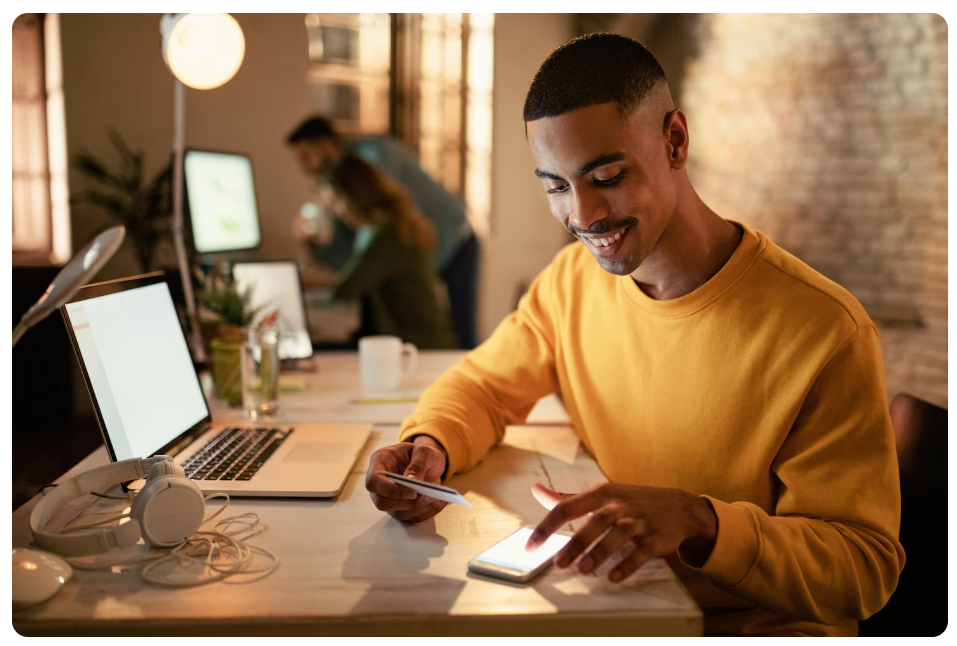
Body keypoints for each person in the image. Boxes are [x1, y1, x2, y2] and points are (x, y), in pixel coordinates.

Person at [363, 33, 904, 636]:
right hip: (623, 608)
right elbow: (484, 385)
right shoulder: (571, 281)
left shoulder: (825, 329)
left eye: (608, 175)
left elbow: (863, 570)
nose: (583, 216)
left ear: (675, 140)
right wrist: (429, 446)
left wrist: (703, 522)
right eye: (556, 186)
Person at [287, 117, 480, 349]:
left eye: (306, 157)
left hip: (455, 240)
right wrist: (315, 247)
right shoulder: (346, 183)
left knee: (460, 333)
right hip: (424, 244)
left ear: (328, 145)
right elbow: (348, 256)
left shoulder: (371, 158)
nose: (304, 167)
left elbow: (369, 244)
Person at [323, 153, 456, 350]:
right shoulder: (394, 224)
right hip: (426, 341)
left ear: (353, 196)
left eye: (337, 201)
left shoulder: (386, 236)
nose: (337, 210)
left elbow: (344, 290)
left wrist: (316, 249)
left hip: (419, 347)